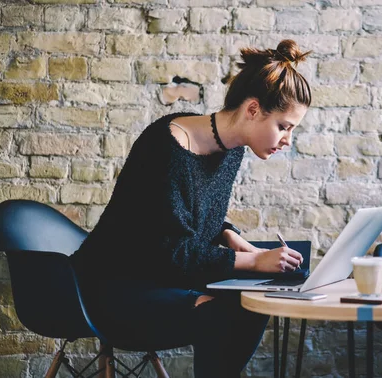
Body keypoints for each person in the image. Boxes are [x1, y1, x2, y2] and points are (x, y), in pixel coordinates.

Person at [70, 39, 312, 377]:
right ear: (253, 110)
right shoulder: (168, 148)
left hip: (163, 275)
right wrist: (255, 260)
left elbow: (197, 217)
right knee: (230, 313)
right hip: (111, 287)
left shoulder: (231, 148)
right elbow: (172, 249)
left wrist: (231, 238)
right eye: (284, 127)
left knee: (252, 304)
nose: (287, 140)